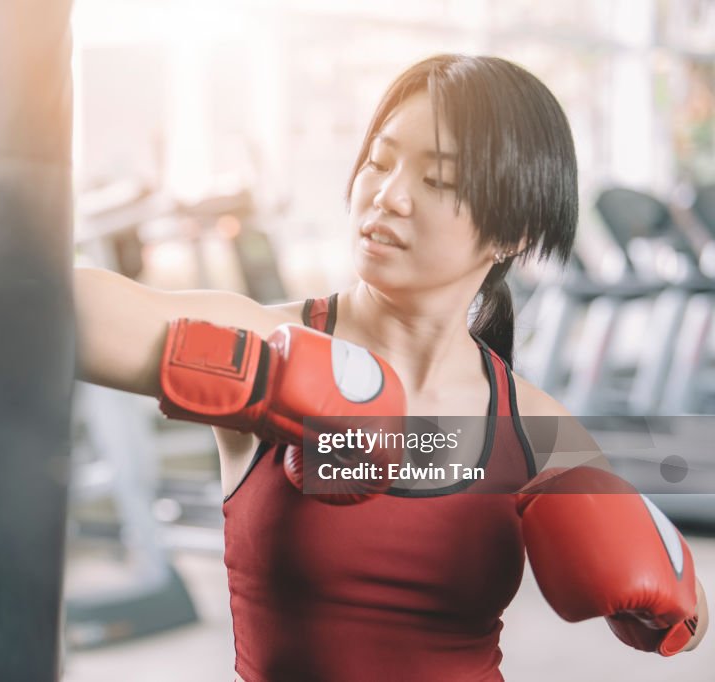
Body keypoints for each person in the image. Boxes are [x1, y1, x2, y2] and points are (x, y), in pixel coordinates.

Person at [74, 54, 708, 681]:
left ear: (512, 232)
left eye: (438, 180)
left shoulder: (533, 427)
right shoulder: (276, 340)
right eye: (378, 162)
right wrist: (264, 377)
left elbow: (692, 620)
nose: (387, 195)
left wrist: (661, 593)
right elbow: (56, 311)